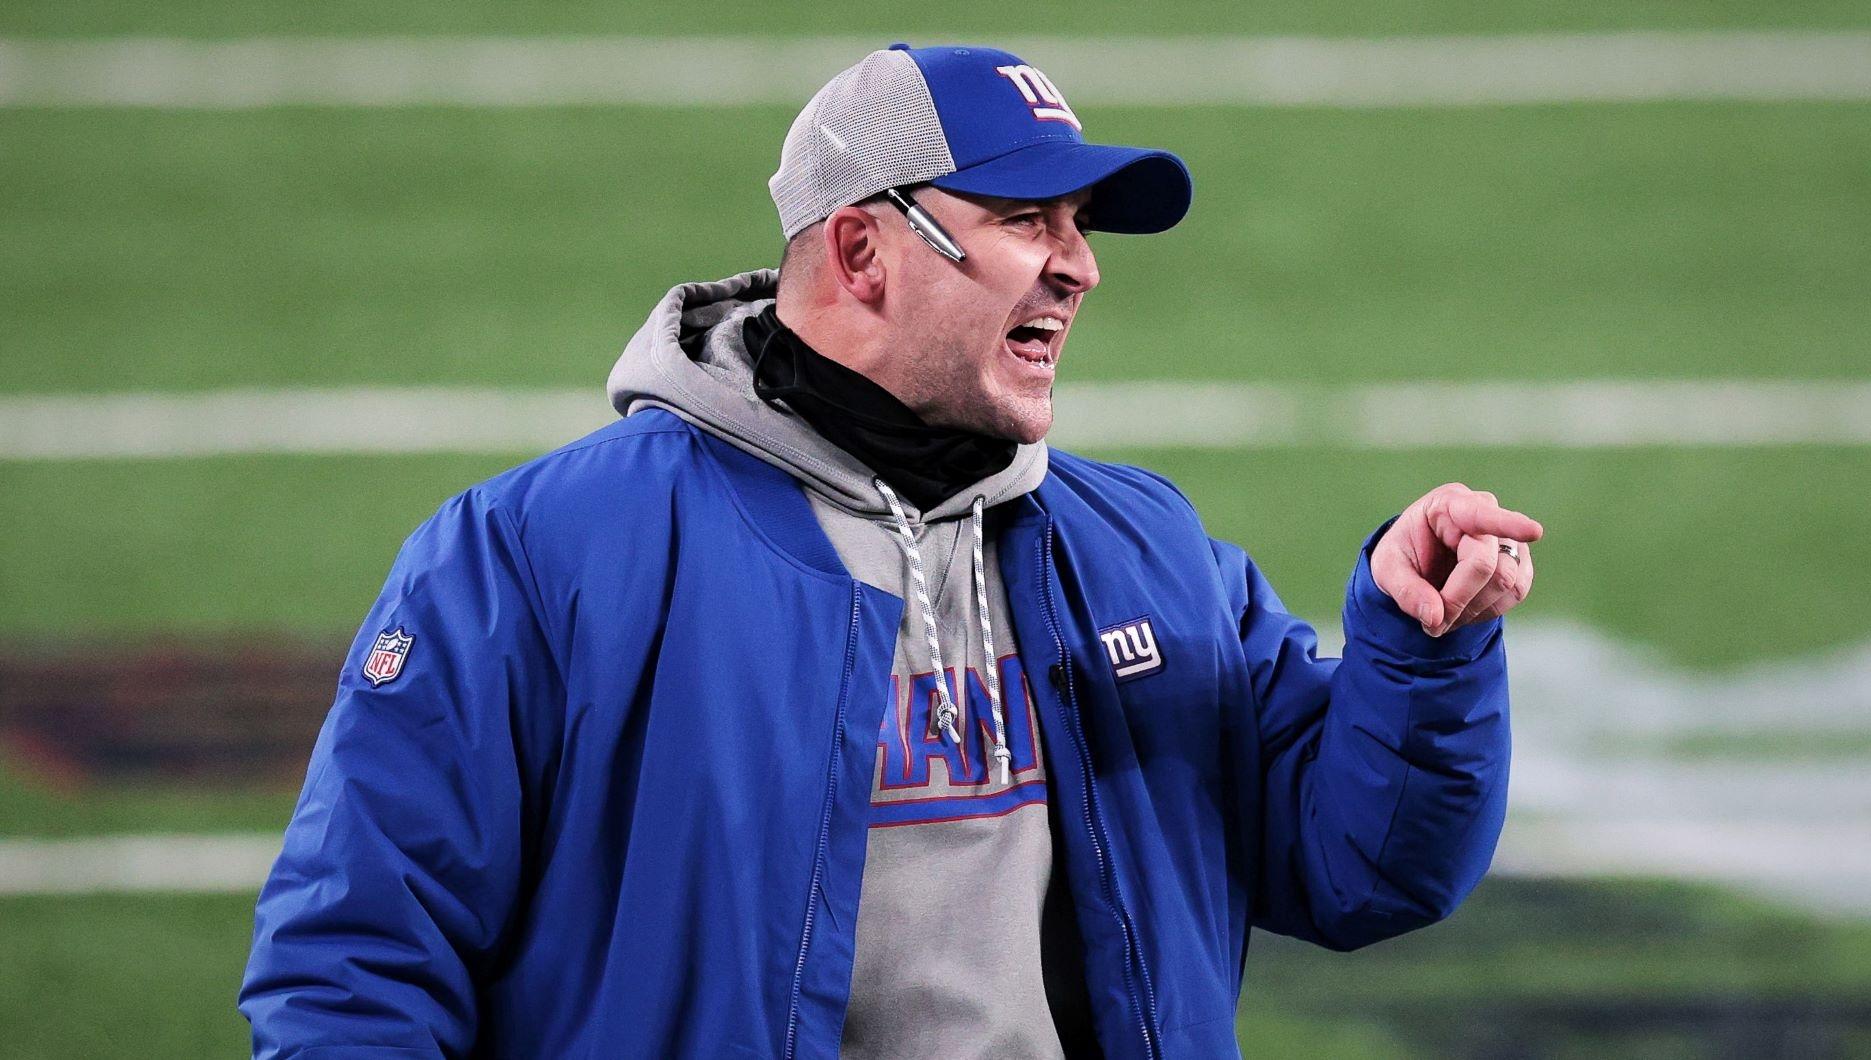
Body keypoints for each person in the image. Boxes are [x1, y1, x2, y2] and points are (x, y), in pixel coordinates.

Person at [240, 43, 1542, 1059]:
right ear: (862, 250)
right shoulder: (537, 558)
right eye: (1026, 222)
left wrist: (1419, 650)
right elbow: (354, 967)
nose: (1078, 268)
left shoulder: (1140, 547)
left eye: (1081, 226)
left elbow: (1364, 867)